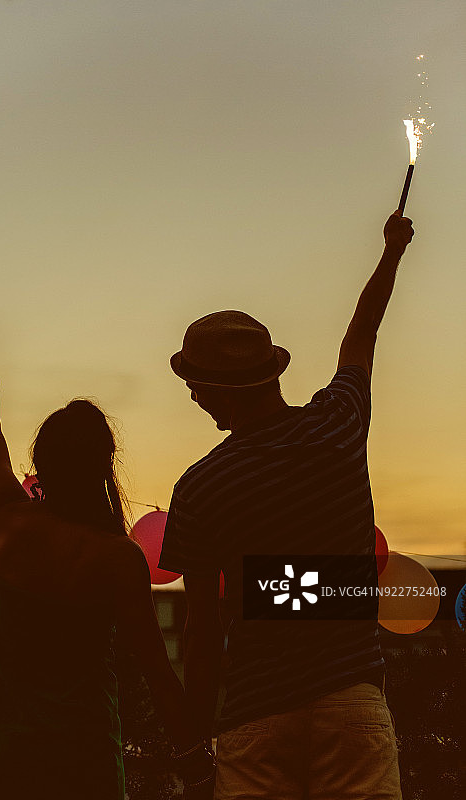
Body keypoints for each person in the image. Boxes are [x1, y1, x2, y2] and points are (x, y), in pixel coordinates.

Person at [158, 210, 414, 799]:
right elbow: (361, 337)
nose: (194, 396)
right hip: (354, 702)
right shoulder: (340, 423)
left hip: (255, 718)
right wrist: (392, 252)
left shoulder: (201, 486)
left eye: (195, 386)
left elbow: (200, 635)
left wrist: (196, 741)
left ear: (218, 391)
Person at [0, 306, 216, 800]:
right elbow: (156, 671)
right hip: (81, 760)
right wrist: (194, 759)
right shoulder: (118, 559)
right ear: (105, 467)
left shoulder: (10, 522)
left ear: (41, 463)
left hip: (0, 758)